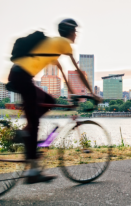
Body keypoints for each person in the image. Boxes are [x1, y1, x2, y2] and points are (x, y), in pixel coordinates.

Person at [7, 18, 100, 184]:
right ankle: (33, 170)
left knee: (49, 99)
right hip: (22, 76)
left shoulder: (52, 45)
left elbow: (61, 70)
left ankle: (27, 134)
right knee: (33, 124)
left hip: (20, 75)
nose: (76, 35)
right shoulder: (63, 43)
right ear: (70, 32)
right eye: (75, 31)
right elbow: (78, 72)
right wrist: (92, 94)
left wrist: (71, 93)